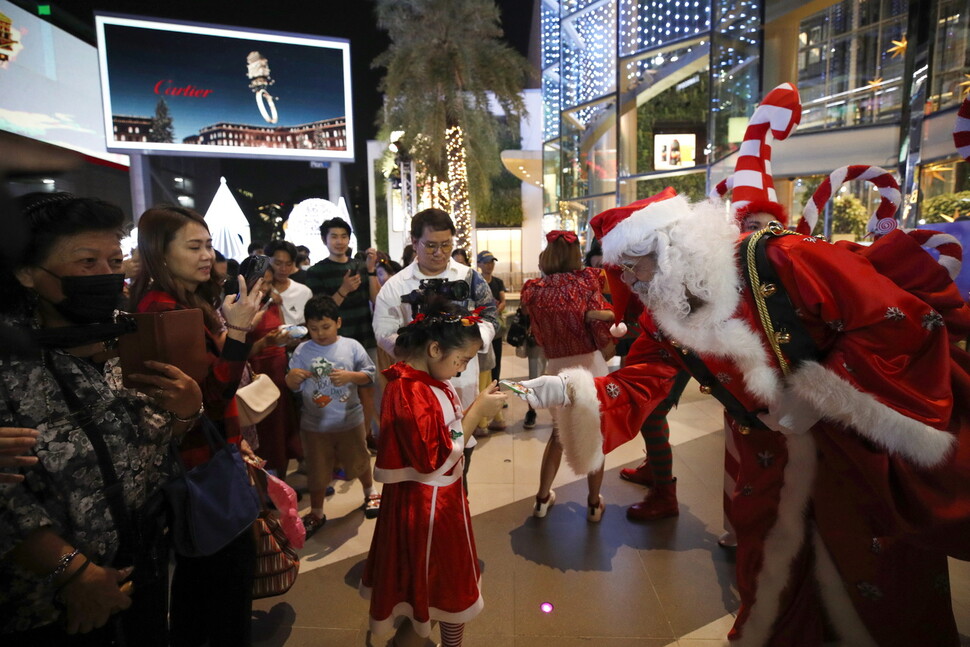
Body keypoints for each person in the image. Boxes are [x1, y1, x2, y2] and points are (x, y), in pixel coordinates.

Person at [519, 186, 970, 646]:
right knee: (771, 572)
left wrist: (818, 397)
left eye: (634, 269)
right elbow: (639, 382)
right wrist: (565, 388)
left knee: (880, 573)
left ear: (671, 247)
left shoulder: (788, 258)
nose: (631, 285)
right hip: (769, 458)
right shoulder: (665, 319)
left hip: (855, 447)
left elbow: (897, 320)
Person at [0, 193, 203, 645]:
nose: (107, 275)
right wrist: (74, 575)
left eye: (114, 259)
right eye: (87, 262)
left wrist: (188, 410)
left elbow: (151, 440)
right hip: (51, 603)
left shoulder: (126, 331)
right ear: (26, 271)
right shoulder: (8, 356)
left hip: (140, 569)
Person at [130, 204, 265, 647]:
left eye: (208, 244)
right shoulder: (163, 310)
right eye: (194, 246)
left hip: (210, 454)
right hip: (194, 467)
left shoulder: (187, 303)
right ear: (159, 254)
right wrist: (240, 333)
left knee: (210, 581)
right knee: (217, 581)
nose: (207, 255)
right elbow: (207, 394)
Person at [360, 300, 506, 647]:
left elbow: (442, 432)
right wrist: (477, 412)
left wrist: (476, 406)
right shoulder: (411, 390)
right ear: (435, 348)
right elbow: (435, 456)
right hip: (429, 507)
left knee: (439, 586)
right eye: (462, 360)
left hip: (438, 499)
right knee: (442, 585)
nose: (461, 370)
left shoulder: (420, 380)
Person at [372, 208, 498, 481]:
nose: (439, 253)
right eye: (430, 245)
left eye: (446, 245)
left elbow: (491, 318)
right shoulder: (395, 286)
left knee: (459, 461)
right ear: (414, 241)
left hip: (462, 383)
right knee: (419, 464)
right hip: (416, 390)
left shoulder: (469, 278)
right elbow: (382, 331)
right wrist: (419, 350)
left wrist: (467, 343)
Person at [520, 230, 615, 522]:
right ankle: (592, 503)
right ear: (576, 254)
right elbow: (602, 330)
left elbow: (538, 334)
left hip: (556, 368)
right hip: (589, 367)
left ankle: (541, 498)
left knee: (559, 435)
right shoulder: (588, 280)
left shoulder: (532, 290)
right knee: (594, 437)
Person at [286, 295, 379, 537]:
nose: (319, 333)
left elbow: (370, 375)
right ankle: (317, 512)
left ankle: (370, 493)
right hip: (314, 425)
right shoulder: (302, 350)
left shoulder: (351, 346)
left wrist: (351, 376)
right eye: (313, 328)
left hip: (350, 420)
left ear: (338, 322)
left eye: (325, 326)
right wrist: (292, 378)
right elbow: (292, 385)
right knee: (317, 470)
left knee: (359, 458)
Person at [305, 217, 381, 444]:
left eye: (344, 236)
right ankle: (342, 442)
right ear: (324, 240)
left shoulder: (358, 266)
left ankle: (364, 437)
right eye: (334, 236)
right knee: (338, 393)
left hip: (365, 337)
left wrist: (370, 271)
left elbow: (375, 299)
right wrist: (344, 290)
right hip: (335, 345)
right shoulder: (317, 271)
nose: (339, 241)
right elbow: (321, 313)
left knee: (368, 390)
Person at [248, 264, 302, 480]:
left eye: (270, 282)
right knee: (262, 429)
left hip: (278, 367)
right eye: (262, 282)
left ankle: (281, 481)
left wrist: (286, 339)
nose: (267, 287)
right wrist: (265, 342)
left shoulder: (272, 303)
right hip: (256, 371)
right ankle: (263, 483)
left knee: (281, 425)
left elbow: (280, 330)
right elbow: (239, 351)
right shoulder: (241, 308)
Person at [264, 240, 313, 326]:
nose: (283, 269)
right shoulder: (259, 291)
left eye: (289, 264)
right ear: (267, 261)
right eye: (278, 263)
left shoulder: (304, 292)